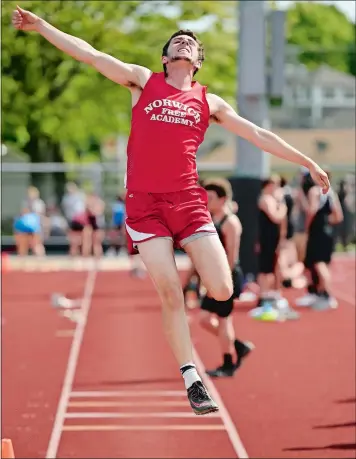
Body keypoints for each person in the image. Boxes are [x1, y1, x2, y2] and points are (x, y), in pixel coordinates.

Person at [12, 6, 330, 415]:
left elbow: (257, 134)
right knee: (169, 292)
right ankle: (191, 377)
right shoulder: (143, 82)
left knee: (222, 289)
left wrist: (307, 162)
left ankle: (206, 327)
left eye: (191, 44)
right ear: (165, 58)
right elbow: (88, 54)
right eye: (176, 41)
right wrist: (42, 26)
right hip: (145, 206)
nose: (184, 43)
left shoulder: (208, 101)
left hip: (188, 203)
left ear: (196, 62)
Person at [199, 178, 254, 377]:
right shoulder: (213, 218)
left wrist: (223, 283)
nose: (207, 201)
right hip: (215, 276)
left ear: (222, 199)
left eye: (211, 198)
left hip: (226, 277)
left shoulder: (230, 223)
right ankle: (238, 345)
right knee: (205, 319)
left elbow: (232, 256)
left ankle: (228, 363)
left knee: (224, 321)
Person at [302, 173, 343, 309]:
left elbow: (312, 210)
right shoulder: (332, 193)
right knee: (323, 264)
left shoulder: (314, 191)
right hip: (328, 232)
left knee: (317, 263)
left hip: (317, 232)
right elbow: (338, 216)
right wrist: (326, 221)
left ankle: (326, 294)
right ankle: (319, 293)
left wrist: (307, 227)